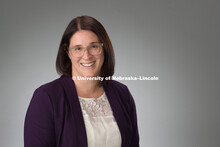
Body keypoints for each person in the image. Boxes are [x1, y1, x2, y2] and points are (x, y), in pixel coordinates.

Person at [24, 15, 139, 147]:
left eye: (94, 46)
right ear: (67, 52)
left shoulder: (122, 94)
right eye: (78, 48)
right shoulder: (46, 97)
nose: (87, 56)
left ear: (104, 48)